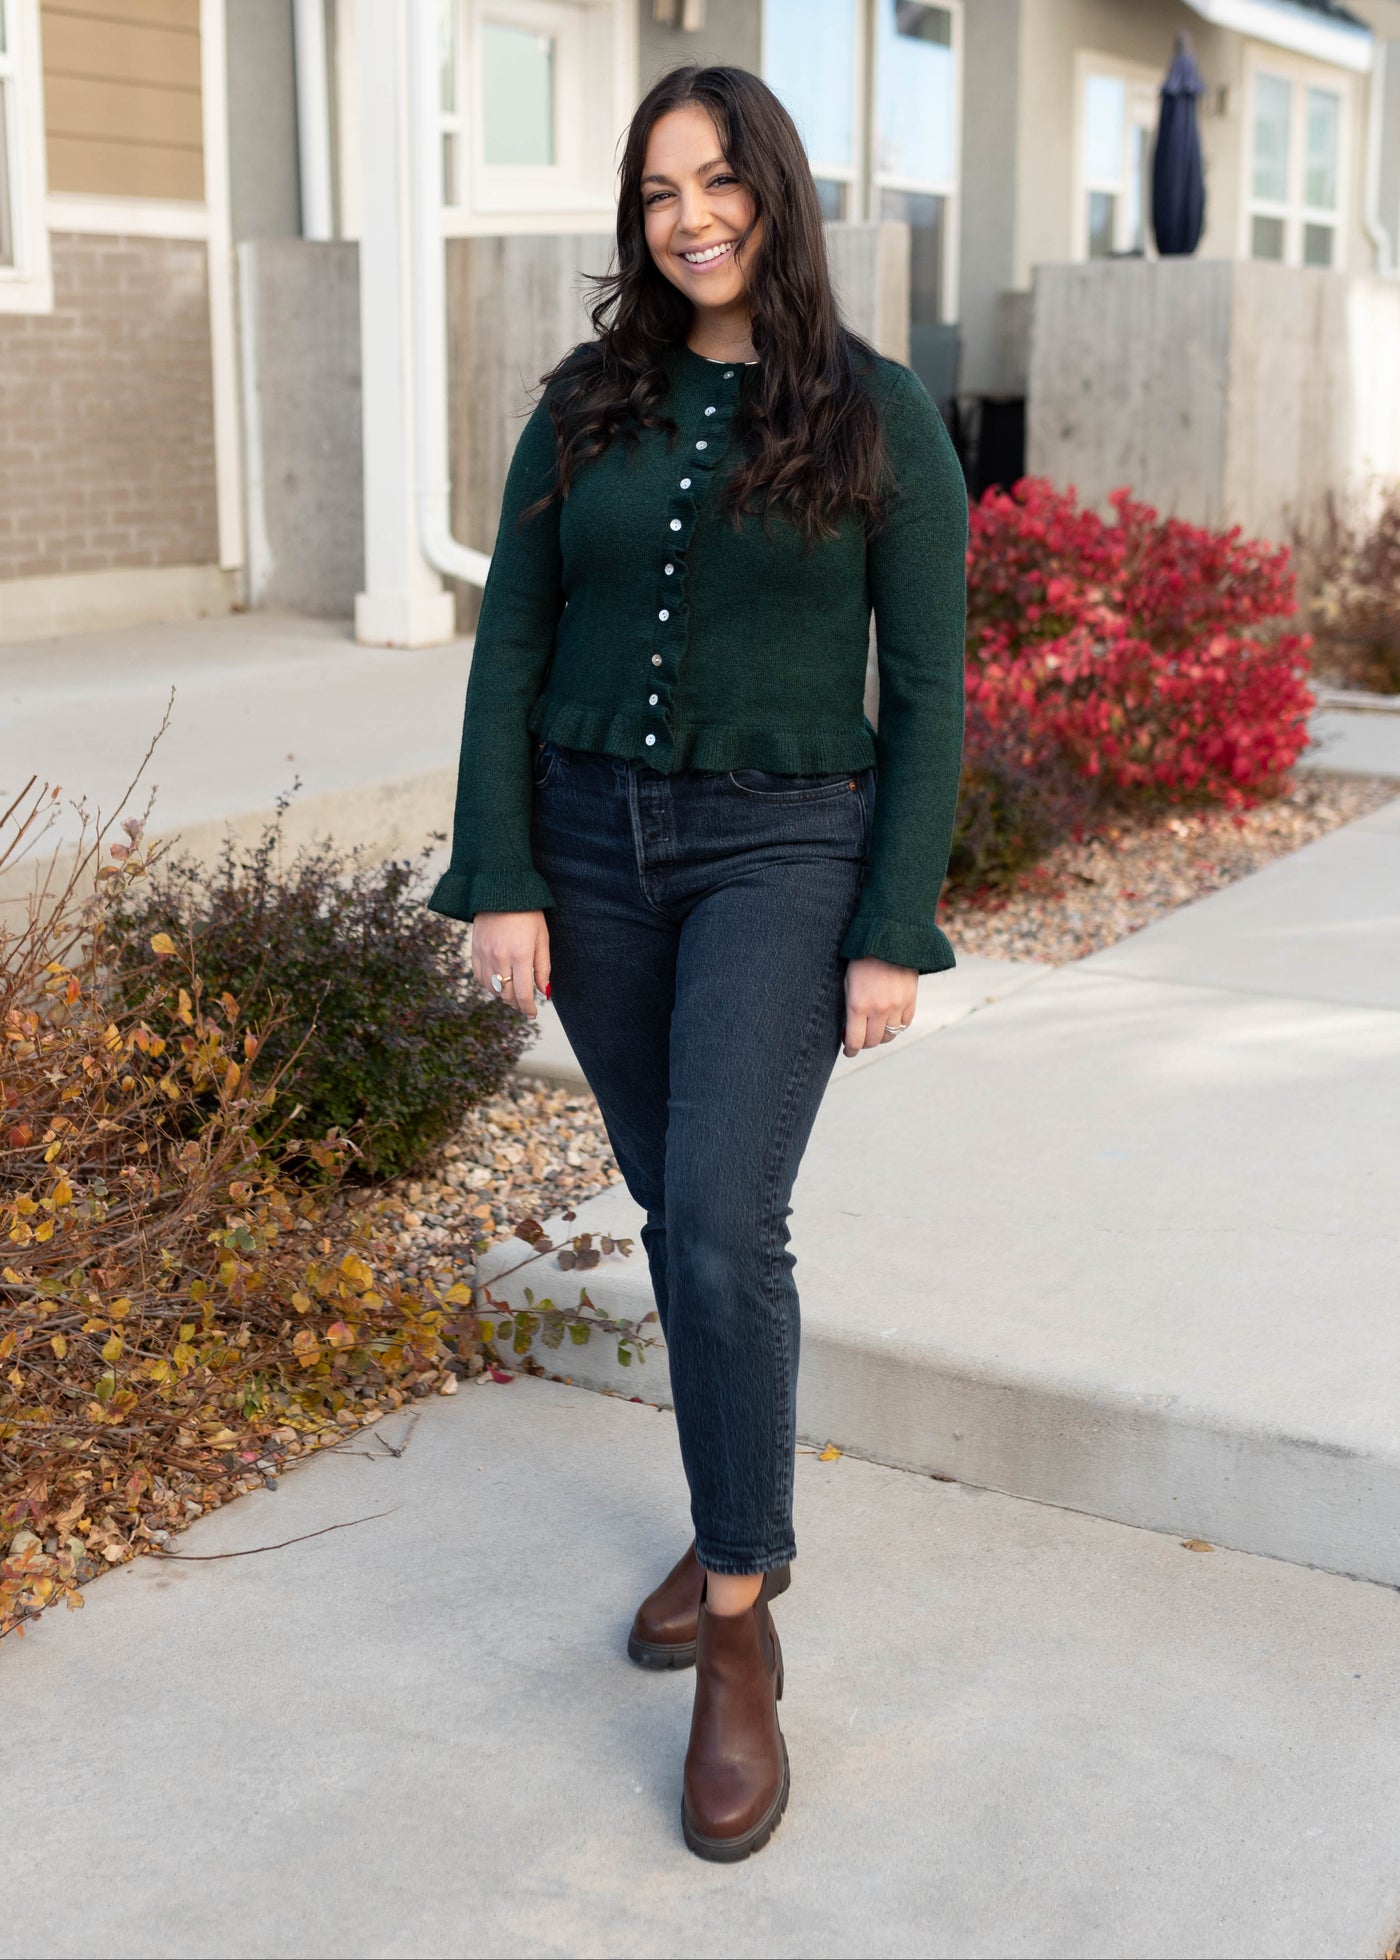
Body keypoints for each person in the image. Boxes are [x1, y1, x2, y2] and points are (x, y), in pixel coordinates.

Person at [428, 63, 968, 1862]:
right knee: (681, 1218)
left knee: (727, 1224)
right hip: (592, 856)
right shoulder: (588, 404)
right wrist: (503, 869)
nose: (690, 216)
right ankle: (735, 1519)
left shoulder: (880, 412)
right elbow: (512, 640)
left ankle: (739, 1626)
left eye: (718, 178)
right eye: (658, 189)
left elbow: (937, 692)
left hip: (783, 851)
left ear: (776, 192)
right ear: (635, 218)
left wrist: (894, 922)